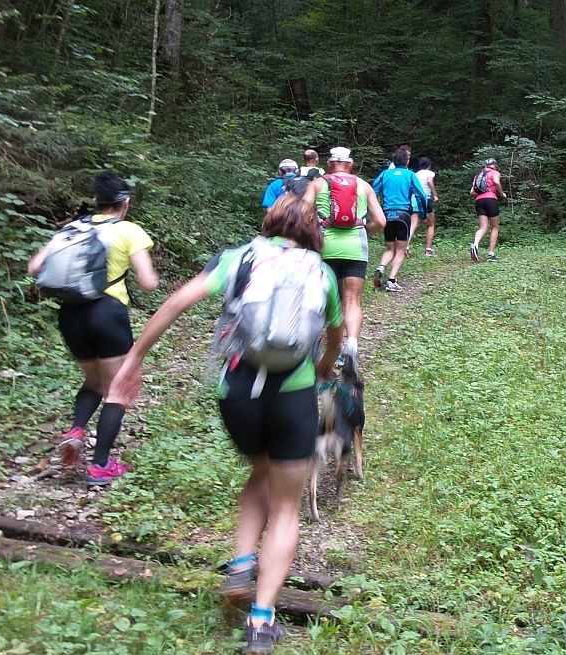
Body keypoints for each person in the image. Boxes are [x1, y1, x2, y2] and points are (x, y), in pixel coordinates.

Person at [107, 194, 344, 654]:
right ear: (313, 231)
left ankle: (240, 566)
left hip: (237, 395)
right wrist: (322, 370)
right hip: (292, 397)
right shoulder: (322, 271)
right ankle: (261, 621)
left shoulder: (239, 257)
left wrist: (133, 360)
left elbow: (177, 301)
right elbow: (334, 338)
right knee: (286, 509)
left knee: (259, 470)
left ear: (270, 221)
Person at [26, 170, 159, 485]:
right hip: (107, 313)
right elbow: (148, 283)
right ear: (125, 202)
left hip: (70, 314)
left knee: (93, 382)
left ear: (97, 201)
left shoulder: (72, 228)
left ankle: (75, 431)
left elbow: (34, 267)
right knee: (118, 389)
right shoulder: (129, 231)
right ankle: (100, 466)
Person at [303, 146, 387, 370]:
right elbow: (380, 222)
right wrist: (363, 229)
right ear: (350, 165)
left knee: (325, 302)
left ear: (329, 165)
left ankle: (326, 348)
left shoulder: (318, 184)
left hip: (325, 248)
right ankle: (351, 345)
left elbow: (300, 214)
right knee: (352, 301)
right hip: (355, 249)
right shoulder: (363, 186)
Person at [372, 148, 427, 291]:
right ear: (407, 161)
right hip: (403, 215)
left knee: (390, 247)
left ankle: (381, 267)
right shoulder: (410, 175)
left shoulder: (385, 174)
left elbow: (373, 192)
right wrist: (423, 213)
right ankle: (391, 281)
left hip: (387, 214)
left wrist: (376, 210)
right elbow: (421, 195)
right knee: (400, 250)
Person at [469, 158, 506, 261]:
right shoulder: (495, 172)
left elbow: (472, 192)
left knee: (483, 227)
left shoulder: (478, 175)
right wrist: (502, 193)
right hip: (491, 199)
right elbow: (496, 182)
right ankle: (491, 253)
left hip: (479, 201)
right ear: (495, 165)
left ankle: (475, 244)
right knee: (494, 227)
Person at [412, 157, 439, 256]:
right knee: (431, 225)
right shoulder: (430, 173)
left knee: (413, 224)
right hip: (425, 199)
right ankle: (428, 249)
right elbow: (429, 181)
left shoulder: (416, 174)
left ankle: (405, 246)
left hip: (414, 199)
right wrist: (435, 194)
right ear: (429, 165)